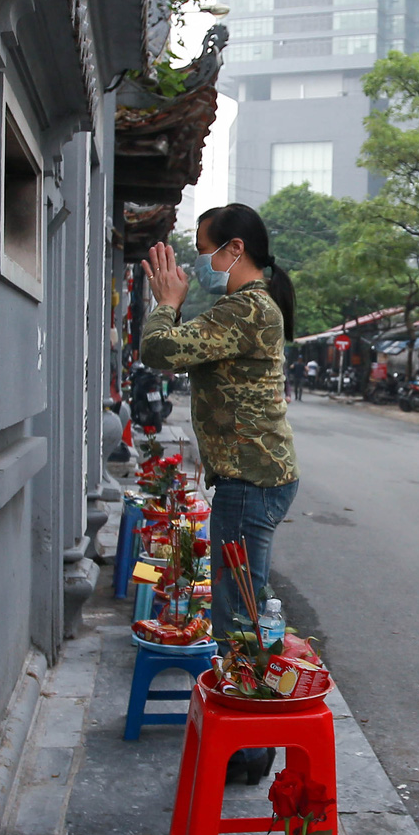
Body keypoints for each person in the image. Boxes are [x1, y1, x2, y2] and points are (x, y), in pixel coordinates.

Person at [140, 204, 300, 644]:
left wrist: (167, 304)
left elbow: (158, 351)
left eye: (204, 250)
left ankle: (248, 695)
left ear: (235, 249)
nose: (198, 264)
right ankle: (249, 688)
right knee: (245, 604)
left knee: (237, 617)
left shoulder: (246, 309)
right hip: (254, 477)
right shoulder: (242, 306)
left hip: (250, 481)